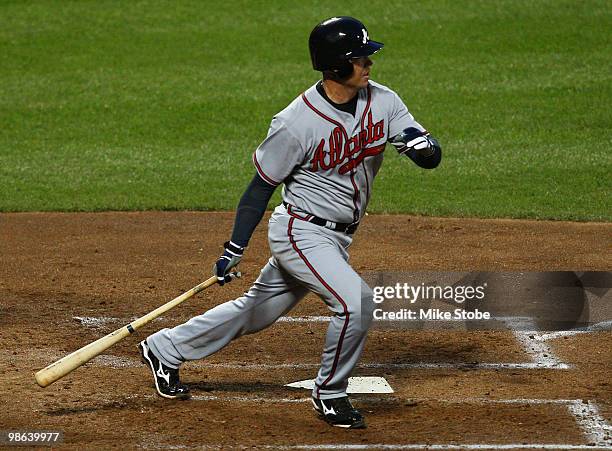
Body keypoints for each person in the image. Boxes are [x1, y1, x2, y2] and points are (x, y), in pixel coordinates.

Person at [138, 16, 441, 429]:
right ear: (336, 66)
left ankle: (165, 348)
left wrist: (422, 148)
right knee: (356, 303)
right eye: (360, 58)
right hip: (301, 232)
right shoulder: (295, 122)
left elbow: (429, 153)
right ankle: (330, 394)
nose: (369, 63)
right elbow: (260, 187)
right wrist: (234, 247)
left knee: (257, 311)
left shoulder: (384, 102)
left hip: (337, 237)